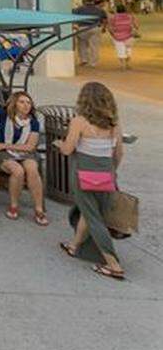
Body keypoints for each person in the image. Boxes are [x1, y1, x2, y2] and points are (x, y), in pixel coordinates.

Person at [57, 82, 126, 280]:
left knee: (94, 218)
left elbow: (68, 149)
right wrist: (112, 172)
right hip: (106, 175)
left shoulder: (79, 121)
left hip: (84, 175)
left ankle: (113, 265)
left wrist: (59, 144)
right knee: (90, 214)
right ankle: (74, 246)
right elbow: (119, 153)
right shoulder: (114, 124)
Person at [0, 91, 48, 225]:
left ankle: (39, 209)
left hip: (22, 152)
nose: (26, 105)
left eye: (28, 102)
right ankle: (14, 206)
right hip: (2, 153)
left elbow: (30, 147)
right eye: (22, 102)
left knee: (32, 169)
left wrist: (3, 144)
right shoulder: (3, 114)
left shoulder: (33, 122)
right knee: (18, 170)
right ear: (14, 104)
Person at [72, 0, 107, 67]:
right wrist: (104, 28)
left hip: (82, 28)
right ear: (93, 1)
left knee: (82, 44)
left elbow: (73, 18)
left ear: (85, 1)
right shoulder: (100, 10)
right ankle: (93, 63)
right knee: (94, 46)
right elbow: (104, 20)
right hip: (95, 28)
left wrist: (75, 25)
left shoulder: (79, 9)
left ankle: (84, 60)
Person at [107, 3, 139, 70]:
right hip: (129, 36)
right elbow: (136, 26)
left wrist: (113, 34)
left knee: (120, 50)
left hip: (117, 36)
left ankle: (122, 64)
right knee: (128, 50)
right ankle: (127, 64)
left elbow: (110, 27)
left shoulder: (113, 17)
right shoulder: (129, 16)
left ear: (117, 10)